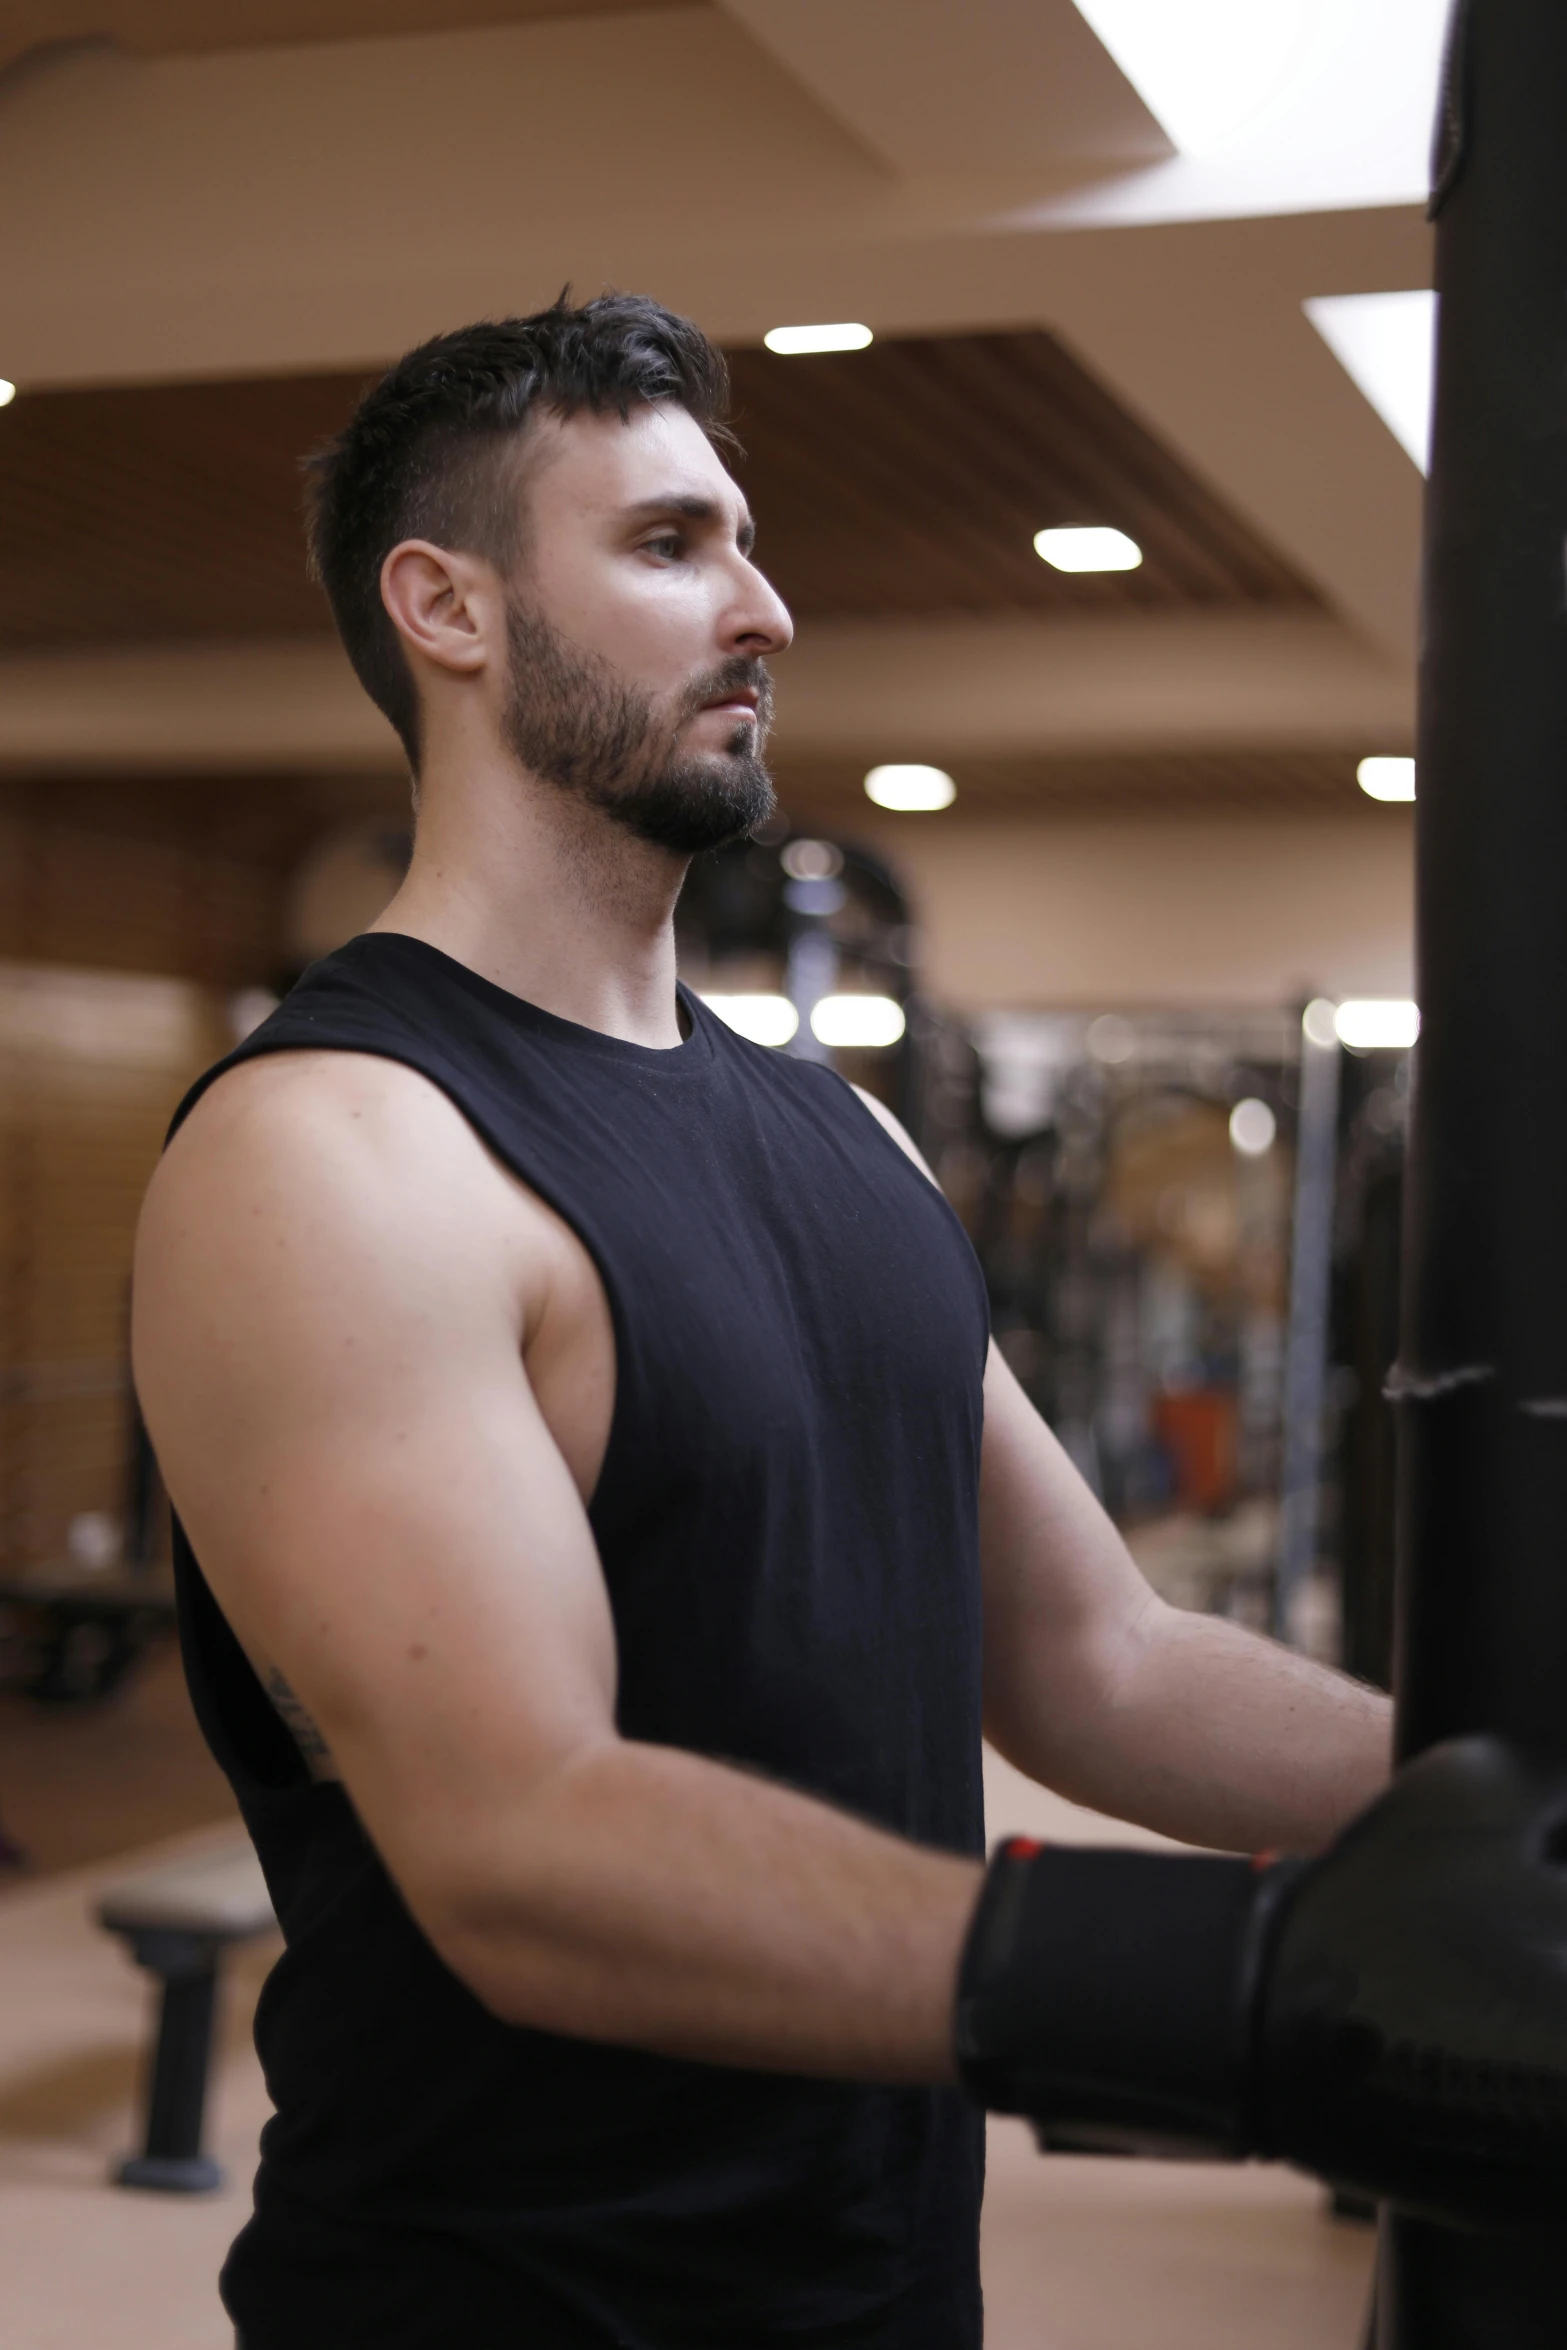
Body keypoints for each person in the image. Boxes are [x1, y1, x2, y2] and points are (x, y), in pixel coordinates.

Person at [132, 295, 1395, 2348]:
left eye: (748, 538)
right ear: (445, 608)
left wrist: (1485, 1792)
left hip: (882, 2289)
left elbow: (1099, 1654)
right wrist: (1249, 1986)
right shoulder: (341, 1152)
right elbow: (524, 1835)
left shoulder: (851, 1143)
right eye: (667, 544)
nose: (766, 607)